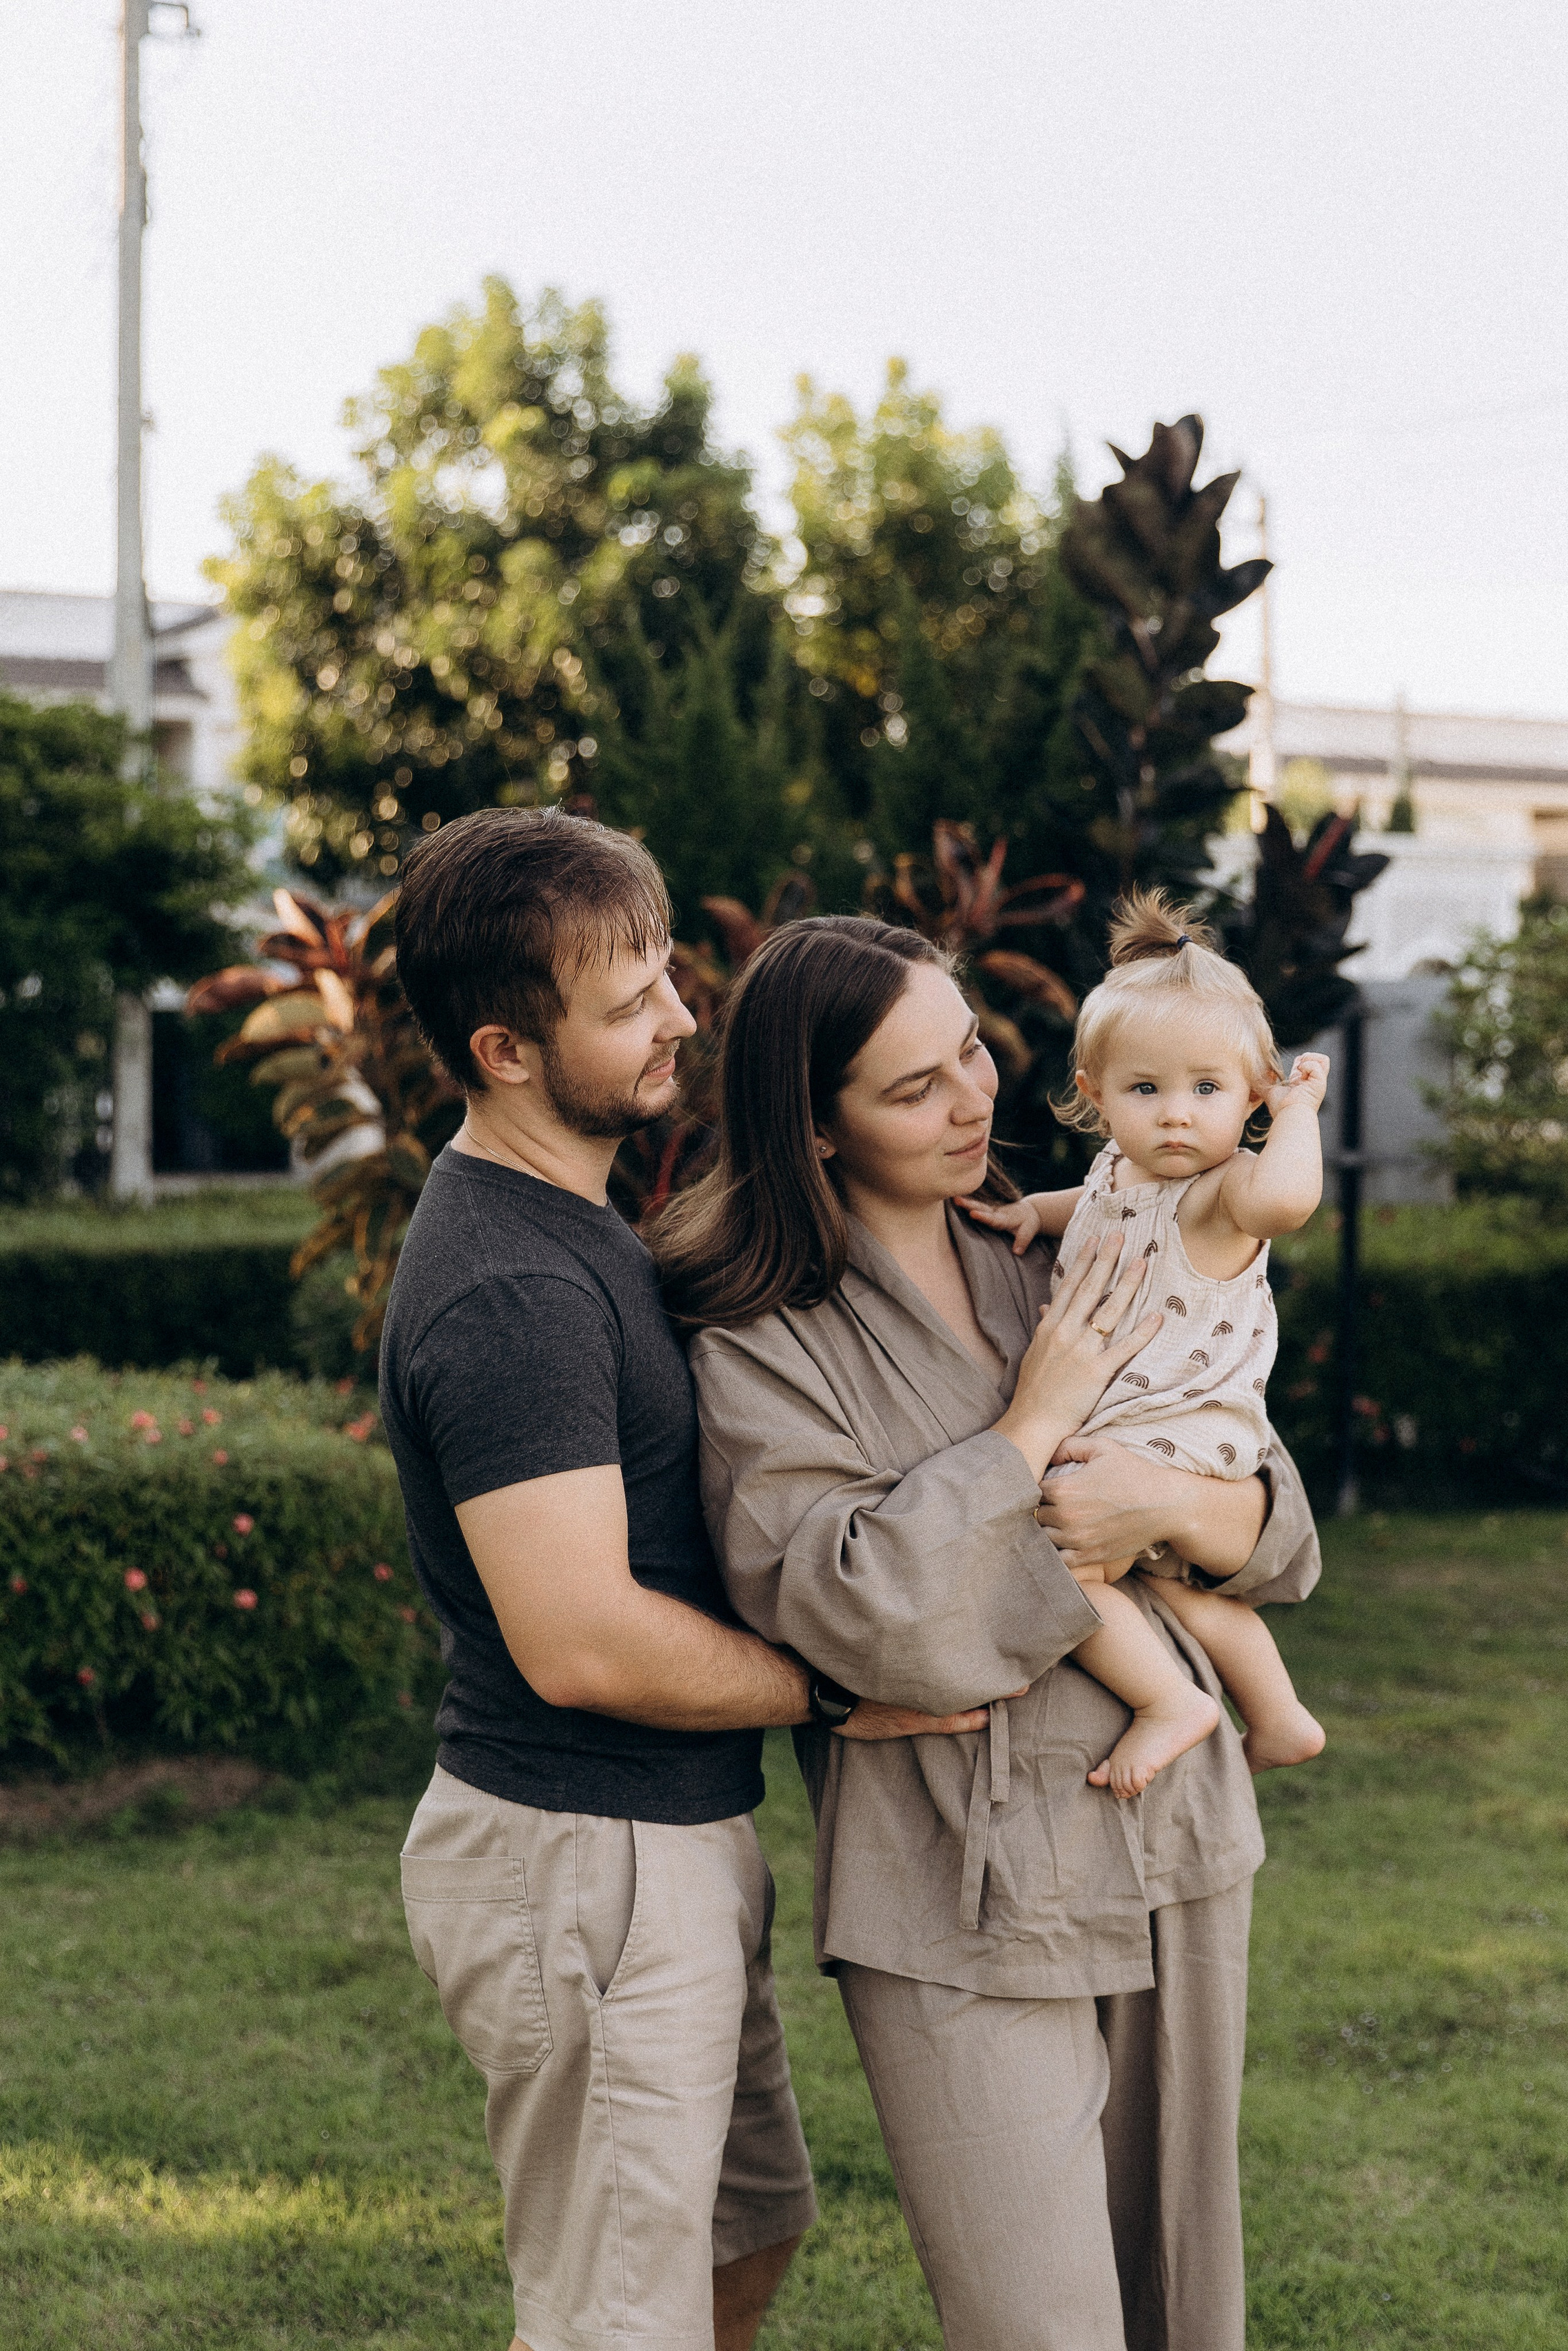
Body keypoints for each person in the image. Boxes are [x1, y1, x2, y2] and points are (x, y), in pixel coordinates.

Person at [651, 914, 1323, 2351]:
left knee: (1182, 2312)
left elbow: (1273, 1526)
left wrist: (1163, 1498)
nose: (970, 1100)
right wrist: (1025, 1437)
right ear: (814, 1128)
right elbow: (852, 1609)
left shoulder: (1071, 1231)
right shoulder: (759, 1334)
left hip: (1174, 1848)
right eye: (911, 1087)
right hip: (954, 1885)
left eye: (967, 1049)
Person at [379, 812, 991, 2351]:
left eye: (666, 972)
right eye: (628, 999)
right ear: (506, 1049)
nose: (679, 1016)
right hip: (586, 1856)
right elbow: (580, 1638)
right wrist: (840, 1687)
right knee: (610, 2315)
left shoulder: (575, 1226)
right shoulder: (512, 1285)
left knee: (742, 2229)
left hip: (666, 1842)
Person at [961, 889, 1328, 1793]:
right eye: (1145, 1088)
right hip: (1148, 1423)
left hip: (1180, 1428)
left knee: (1064, 1562)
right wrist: (1025, 1214)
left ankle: (1170, 1699)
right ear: (1095, 1096)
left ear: (1251, 1094)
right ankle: (1281, 1714)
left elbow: (1288, 1203)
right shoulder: (1118, 1172)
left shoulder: (1225, 1192)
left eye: (1207, 1089)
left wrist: (1300, 1114)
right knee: (1176, 1587)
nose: (1176, 1114)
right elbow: (1085, 1208)